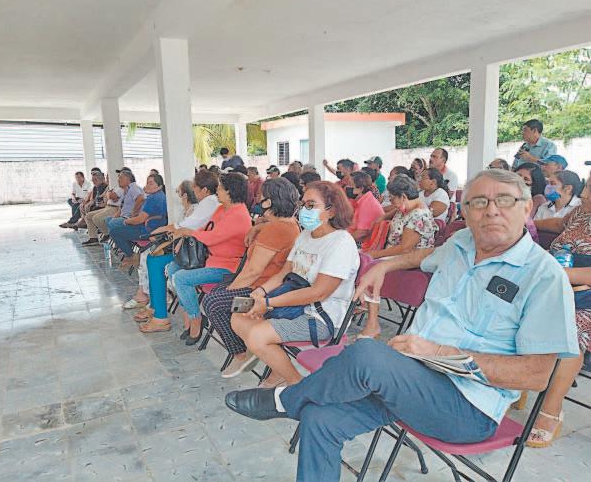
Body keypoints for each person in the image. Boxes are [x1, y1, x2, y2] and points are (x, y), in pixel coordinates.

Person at [225, 169, 578, 482]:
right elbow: (425, 256)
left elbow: (537, 376)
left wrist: (440, 352)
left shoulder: (544, 277)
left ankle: (285, 400)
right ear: (466, 211)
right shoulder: (460, 243)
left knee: (366, 354)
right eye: (479, 202)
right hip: (411, 381)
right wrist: (385, 266)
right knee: (320, 419)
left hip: (467, 407)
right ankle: (298, 404)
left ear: (526, 208)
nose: (491, 210)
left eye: (504, 200)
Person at [231, 181, 359, 388]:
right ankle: (278, 370)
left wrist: (269, 303)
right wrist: (260, 292)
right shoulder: (305, 236)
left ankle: (296, 384)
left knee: (257, 336)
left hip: (319, 316)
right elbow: (284, 273)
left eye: (311, 205)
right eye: (303, 204)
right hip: (292, 305)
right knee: (239, 318)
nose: (303, 210)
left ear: (332, 210)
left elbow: (318, 292)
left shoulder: (341, 243)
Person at [202, 178, 301, 377]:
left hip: (262, 291)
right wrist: (257, 227)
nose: (257, 200)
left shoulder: (276, 229)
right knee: (218, 291)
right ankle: (245, 343)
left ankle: (240, 353)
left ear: (270, 202)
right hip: (265, 285)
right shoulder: (288, 224)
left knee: (213, 302)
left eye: (261, 197)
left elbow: (253, 271)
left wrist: (230, 291)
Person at [148, 173, 252, 345]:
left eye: (220, 188)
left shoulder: (239, 214)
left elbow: (212, 237)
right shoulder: (221, 209)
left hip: (227, 268)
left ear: (230, 192)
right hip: (211, 259)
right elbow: (205, 229)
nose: (217, 191)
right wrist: (186, 234)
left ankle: (196, 318)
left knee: (181, 278)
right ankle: (191, 315)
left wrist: (189, 232)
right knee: (173, 268)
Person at [529, 176, 591, 447]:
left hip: (584, 299)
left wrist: (558, 273)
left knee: (572, 331)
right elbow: (557, 225)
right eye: (586, 186)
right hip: (555, 285)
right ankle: (507, 384)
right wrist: (528, 222)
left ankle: (551, 410)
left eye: (590, 189)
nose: (584, 194)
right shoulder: (581, 212)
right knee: (505, 309)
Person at [136, 170, 221, 327]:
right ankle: (155, 306)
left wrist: (163, 230)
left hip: (200, 252)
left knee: (156, 262)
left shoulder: (210, 202)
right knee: (152, 258)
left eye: (195, 187)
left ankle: (160, 316)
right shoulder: (207, 202)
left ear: (204, 189)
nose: (193, 191)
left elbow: (186, 226)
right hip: (195, 247)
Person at [359, 174, 437, 338]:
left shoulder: (419, 215)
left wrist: (376, 254)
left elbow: (404, 249)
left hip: (411, 259)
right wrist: (383, 217)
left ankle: (372, 323)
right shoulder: (405, 207)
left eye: (392, 198)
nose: (391, 201)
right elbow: (394, 214)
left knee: (371, 266)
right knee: (362, 258)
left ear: (403, 196)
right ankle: (362, 302)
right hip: (393, 252)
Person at [124, 180, 198, 314]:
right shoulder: (185, 210)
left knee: (152, 259)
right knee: (147, 255)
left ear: (185, 195)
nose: (176, 194)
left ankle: (157, 303)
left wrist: (159, 233)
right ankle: (148, 297)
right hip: (178, 246)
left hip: (186, 251)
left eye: (178, 192)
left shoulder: (194, 211)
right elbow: (176, 227)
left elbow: (179, 230)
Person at [108, 174, 167, 265]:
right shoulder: (160, 195)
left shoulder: (153, 198)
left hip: (147, 231)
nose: (147, 185)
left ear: (159, 186)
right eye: (147, 183)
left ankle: (132, 256)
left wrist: (127, 221)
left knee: (114, 231)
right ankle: (133, 254)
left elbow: (140, 219)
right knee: (115, 224)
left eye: (151, 183)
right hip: (153, 228)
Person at [82, 174, 125, 245]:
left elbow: (112, 197)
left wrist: (108, 194)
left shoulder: (120, 188)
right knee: (88, 216)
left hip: (115, 208)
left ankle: (108, 234)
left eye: (108, 177)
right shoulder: (111, 187)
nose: (107, 179)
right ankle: (93, 238)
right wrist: (109, 194)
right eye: (107, 177)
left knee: (96, 218)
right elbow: (106, 197)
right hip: (108, 206)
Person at [346, 171, 384, 243]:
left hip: (363, 243)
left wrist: (343, 241)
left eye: (350, 185)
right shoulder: (363, 199)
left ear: (361, 188)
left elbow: (361, 233)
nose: (347, 187)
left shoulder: (368, 203)